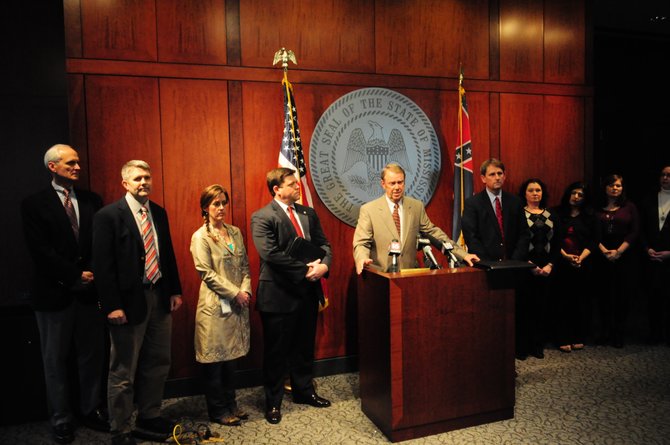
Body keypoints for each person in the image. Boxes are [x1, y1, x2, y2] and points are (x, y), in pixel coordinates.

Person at [21, 144, 108, 444]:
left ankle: (91, 410)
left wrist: (92, 274)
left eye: (79, 162)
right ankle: (61, 418)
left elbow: (100, 242)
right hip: (53, 295)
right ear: (52, 167)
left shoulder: (91, 200)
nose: (78, 167)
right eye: (71, 163)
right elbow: (40, 251)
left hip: (88, 294)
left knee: (91, 356)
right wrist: (73, 275)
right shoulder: (34, 204)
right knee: (55, 360)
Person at [92, 160, 183, 445]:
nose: (144, 182)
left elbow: (166, 253)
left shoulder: (158, 212)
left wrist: (174, 290)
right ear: (125, 184)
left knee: (158, 361)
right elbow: (103, 266)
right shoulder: (108, 216)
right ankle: (120, 429)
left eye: (147, 177)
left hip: (159, 296)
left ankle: (149, 415)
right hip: (127, 303)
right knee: (123, 369)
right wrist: (111, 306)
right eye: (137, 179)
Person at [251, 167, 332, 425]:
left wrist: (324, 266)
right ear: (277, 189)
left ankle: (304, 391)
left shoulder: (308, 213)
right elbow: (270, 254)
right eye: (292, 184)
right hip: (278, 294)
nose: (298, 187)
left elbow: (324, 245)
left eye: (298, 183)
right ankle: (273, 402)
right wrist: (306, 269)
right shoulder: (262, 216)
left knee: (303, 347)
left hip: (307, 292)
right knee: (276, 352)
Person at [190, 184, 251, 426]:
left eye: (224, 202)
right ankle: (217, 410)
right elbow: (205, 272)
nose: (221, 207)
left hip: (237, 304)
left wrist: (245, 289)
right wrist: (235, 292)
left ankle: (231, 404)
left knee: (230, 361)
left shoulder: (234, 232)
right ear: (205, 207)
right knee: (214, 362)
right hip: (215, 306)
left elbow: (245, 265)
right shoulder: (200, 236)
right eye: (216, 203)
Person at [353, 163, 478, 274]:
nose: (397, 187)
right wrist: (361, 258)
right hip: (382, 277)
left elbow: (434, 233)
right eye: (392, 183)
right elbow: (361, 243)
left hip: (409, 276)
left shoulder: (416, 206)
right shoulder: (369, 210)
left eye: (400, 182)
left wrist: (462, 254)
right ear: (383, 184)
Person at [516, 178, 560, 359]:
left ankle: (537, 345)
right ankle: (522, 347)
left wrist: (550, 265)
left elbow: (557, 243)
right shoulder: (519, 215)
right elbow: (516, 243)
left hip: (547, 269)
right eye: (531, 190)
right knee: (524, 309)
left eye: (538, 190)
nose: (535, 193)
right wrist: (529, 266)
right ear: (524, 194)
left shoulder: (552, 215)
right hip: (525, 269)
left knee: (541, 309)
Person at [594, 174, 639, 348]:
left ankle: (618, 332)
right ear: (605, 187)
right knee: (603, 295)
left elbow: (635, 231)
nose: (615, 188)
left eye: (619, 186)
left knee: (622, 295)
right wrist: (605, 251)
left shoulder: (630, 207)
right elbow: (591, 232)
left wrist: (618, 252)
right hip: (601, 255)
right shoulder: (596, 208)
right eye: (612, 185)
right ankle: (605, 331)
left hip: (624, 256)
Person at [552, 182, 597, 353]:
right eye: (573, 193)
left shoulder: (591, 217)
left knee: (580, 301)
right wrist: (565, 256)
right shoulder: (556, 213)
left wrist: (581, 258)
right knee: (562, 301)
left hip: (583, 264)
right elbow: (553, 239)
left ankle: (578, 335)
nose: (576, 197)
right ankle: (562, 337)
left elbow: (594, 240)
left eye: (580, 194)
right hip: (561, 263)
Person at [461, 158, 530, 262]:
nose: (497, 178)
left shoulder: (515, 202)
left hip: (514, 266)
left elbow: (524, 234)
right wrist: (489, 263)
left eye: (500, 173)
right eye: (492, 174)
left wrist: (515, 260)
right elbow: (471, 237)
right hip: (486, 267)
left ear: (504, 176)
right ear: (483, 178)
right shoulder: (473, 203)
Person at [640, 166, 670, 345]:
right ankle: (655, 333)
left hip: (669, 256)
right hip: (651, 256)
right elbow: (641, 228)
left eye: (669, 175)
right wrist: (646, 248)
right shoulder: (649, 199)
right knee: (653, 297)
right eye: (663, 175)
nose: (665, 178)